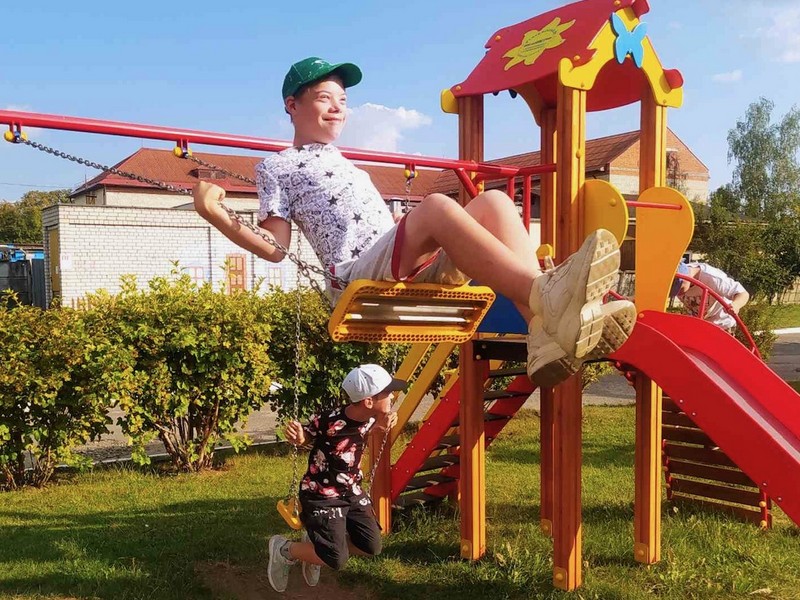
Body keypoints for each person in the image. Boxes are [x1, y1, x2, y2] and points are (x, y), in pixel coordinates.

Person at [193, 56, 637, 387]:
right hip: (353, 273)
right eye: (324, 98)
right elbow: (275, 247)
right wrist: (216, 213)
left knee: (496, 203)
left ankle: (541, 332)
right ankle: (546, 293)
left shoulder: (345, 163)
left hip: (400, 261)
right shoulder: (278, 166)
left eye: (343, 101)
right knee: (437, 207)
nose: (337, 108)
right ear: (292, 105)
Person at [266, 364, 404, 592]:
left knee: (371, 546)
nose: (392, 396)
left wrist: (380, 428)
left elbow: (363, 435)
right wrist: (300, 437)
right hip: (321, 493)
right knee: (336, 559)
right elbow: (307, 436)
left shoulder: (374, 418)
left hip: (351, 490)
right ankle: (284, 549)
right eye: (387, 393)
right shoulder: (329, 420)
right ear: (368, 401)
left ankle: (319, 546)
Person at [671, 262, 750, 331]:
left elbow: (743, 293)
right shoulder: (676, 274)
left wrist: (736, 305)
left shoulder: (712, 278)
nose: (678, 294)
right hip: (699, 326)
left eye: (678, 289)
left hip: (721, 325)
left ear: (685, 278)